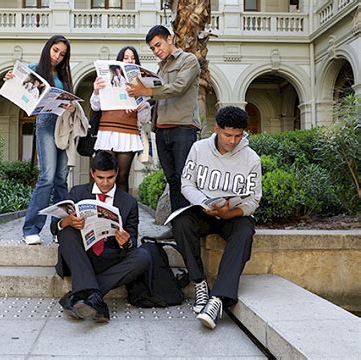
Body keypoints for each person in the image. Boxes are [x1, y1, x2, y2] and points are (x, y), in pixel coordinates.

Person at [172, 106, 262, 330]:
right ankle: (200, 283)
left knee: (245, 230)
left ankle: (218, 299)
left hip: (231, 215)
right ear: (216, 129)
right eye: (227, 135)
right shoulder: (198, 148)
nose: (232, 141)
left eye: (238, 136)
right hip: (203, 211)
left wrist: (229, 212)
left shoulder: (252, 159)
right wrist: (203, 202)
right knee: (181, 222)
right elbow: (187, 184)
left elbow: (254, 200)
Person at [53, 150, 151, 322]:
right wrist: (68, 221)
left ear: (117, 173)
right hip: (80, 256)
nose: (105, 183)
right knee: (66, 232)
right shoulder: (77, 193)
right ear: (92, 174)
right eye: (100, 178)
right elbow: (54, 227)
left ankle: (81, 295)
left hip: (110, 257)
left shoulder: (128, 202)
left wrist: (126, 241)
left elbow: (133, 240)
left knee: (143, 256)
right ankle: (95, 300)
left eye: (110, 178)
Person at [4, 35, 76, 245]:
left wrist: (71, 106)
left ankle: (61, 230)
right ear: (48, 49)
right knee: (47, 176)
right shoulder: (34, 69)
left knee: (62, 179)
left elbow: (68, 103)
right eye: (55, 51)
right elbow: (18, 87)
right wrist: (10, 78)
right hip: (45, 124)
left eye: (62, 54)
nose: (58, 57)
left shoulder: (64, 76)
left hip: (63, 127)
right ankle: (31, 229)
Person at [126, 25, 201, 212]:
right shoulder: (161, 67)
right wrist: (146, 101)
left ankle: (187, 232)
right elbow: (160, 96)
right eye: (152, 48)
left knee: (185, 181)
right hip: (161, 129)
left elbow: (179, 87)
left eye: (158, 45)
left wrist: (148, 91)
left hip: (183, 128)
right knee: (172, 182)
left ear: (170, 39)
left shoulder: (189, 60)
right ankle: (176, 228)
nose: (156, 51)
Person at [91, 46, 151, 192]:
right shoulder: (106, 79)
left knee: (122, 177)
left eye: (133, 57)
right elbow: (95, 106)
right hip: (107, 131)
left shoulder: (142, 84)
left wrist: (142, 106)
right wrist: (96, 90)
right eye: (126, 57)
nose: (130, 60)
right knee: (104, 174)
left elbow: (144, 119)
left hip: (128, 133)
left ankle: (122, 213)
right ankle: (102, 212)